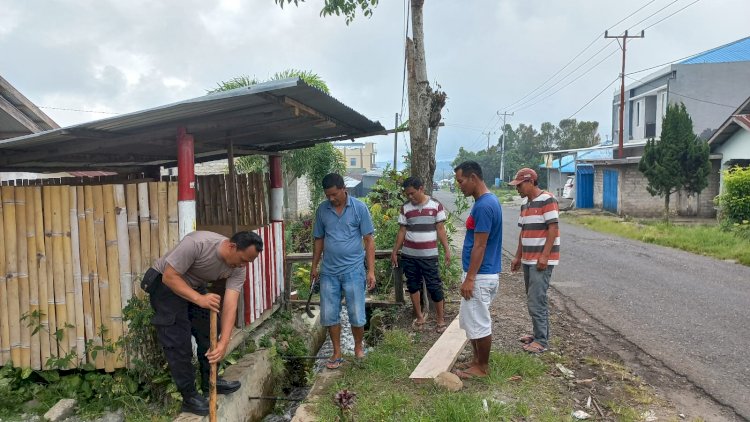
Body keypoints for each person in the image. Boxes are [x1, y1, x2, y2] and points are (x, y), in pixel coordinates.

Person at [140, 230, 263, 416]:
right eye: (243, 259)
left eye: (248, 262)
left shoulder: (239, 268)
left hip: (193, 286)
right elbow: (169, 276)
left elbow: (230, 304)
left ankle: (210, 382)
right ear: (232, 246)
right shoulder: (197, 244)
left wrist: (224, 342)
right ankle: (189, 398)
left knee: (210, 327)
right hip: (164, 283)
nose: (243, 265)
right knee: (178, 341)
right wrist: (199, 299)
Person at [311, 173, 376, 369]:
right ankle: (337, 352)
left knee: (356, 313)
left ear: (343, 189)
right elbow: (319, 239)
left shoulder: (359, 208)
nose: (331, 199)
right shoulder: (322, 210)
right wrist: (314, 266)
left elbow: (369, 240)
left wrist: (370, 270)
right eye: (327, 195)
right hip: (329, 271)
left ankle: (358, 348)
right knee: (330, 314)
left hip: (354, 270)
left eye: (333, 194)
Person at [452, 161, 503, 379]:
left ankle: (482, 367)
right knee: (472, 320)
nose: (459, 186)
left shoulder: (484, 206)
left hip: (480, 276)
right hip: (480, 274)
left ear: (473, 178)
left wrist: (470, 278)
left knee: (479, 321)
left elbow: (480, 245)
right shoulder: (484, 202)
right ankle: (476, 361)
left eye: (461, 181)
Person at [391, 177, 451, 333]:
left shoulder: (436, 205)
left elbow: (441, 229)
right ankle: (419, 317)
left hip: (429, 255)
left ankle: (440, 319)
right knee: (412, 285)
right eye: (407, 195)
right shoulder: (405, 208)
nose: (410, 197)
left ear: (421, 189)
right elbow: (402, 230)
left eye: (412, 193)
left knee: (434, 286)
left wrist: (446, 249)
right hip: (409, 255)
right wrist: (395, 251)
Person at [510, 168, 560, 354]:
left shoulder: (548, 199)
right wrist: (517, 256)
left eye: (520, 185)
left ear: (531, 182)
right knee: (532, 298)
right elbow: (523, 232)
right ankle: (538, 333)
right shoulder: (525, 204)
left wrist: (545, 256)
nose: (517, 189)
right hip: (528, 259)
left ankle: (541, 341)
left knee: (536, 299)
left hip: (541, 260)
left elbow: (553, 229)